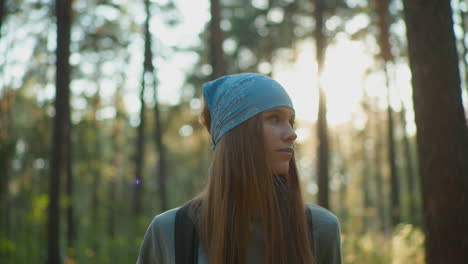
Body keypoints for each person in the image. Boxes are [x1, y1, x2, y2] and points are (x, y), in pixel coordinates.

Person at [136, 73, 342, 264]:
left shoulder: (319, 229)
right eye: (274, 118)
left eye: (291, 121)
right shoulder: (170, 231)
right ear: (237, 134)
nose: (291, 134)